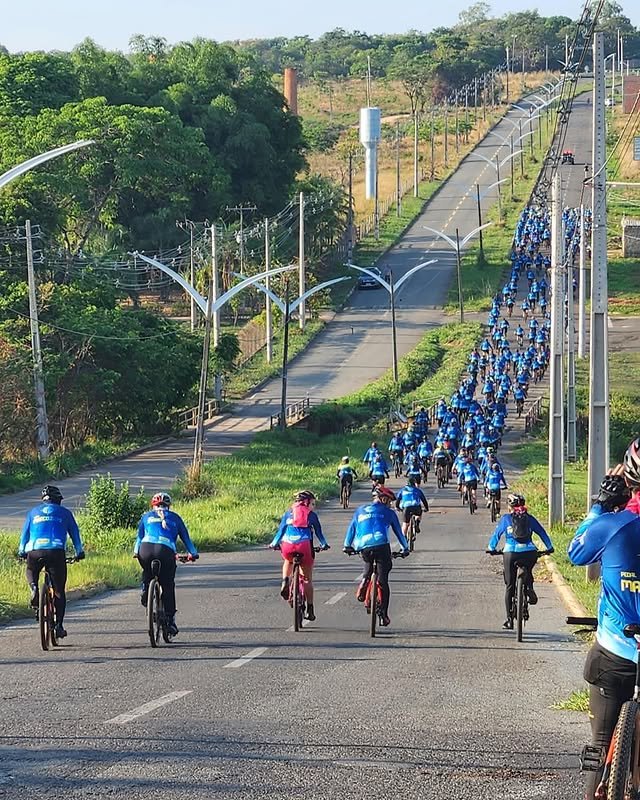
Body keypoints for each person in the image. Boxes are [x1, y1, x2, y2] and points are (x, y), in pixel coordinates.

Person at [567, 443, 640, 800]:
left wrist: (601, 505)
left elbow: (576, 552)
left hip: (615, 651)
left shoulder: (613, 524)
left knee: (600, 743)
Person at [18, 485, 85, 640]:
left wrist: (22, 551)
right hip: (56, 551)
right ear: (58, 500)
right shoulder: (65, 513)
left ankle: (34, 587)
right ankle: (59, 626)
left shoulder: (33, 513)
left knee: (31, 570)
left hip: (35, 550)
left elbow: (24, 536)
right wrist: (79, 552)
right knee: (59, 590)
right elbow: (75, 535)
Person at [343, 485, 409, 627]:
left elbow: (351, 529)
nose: (390, 504)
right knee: (383, 579)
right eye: (389, 501)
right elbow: (399, 533)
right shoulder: (389, 513)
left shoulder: (359, 510)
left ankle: (365, 579)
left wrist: (347, 545)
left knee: (368, 560)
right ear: (383, 499)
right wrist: (405, 548)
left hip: (364, 546)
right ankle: (383, 615)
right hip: (381, 545)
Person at [135, 492, 198, 637]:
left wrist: (136, 552)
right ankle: (169, 620)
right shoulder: (175, 518)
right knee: (168, 584)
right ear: (169, 506)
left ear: (153, 505)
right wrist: (193, 554)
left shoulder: (146, 517)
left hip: (145, 548)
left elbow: (138, 539)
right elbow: (187, 540)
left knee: (147, 570)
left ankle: (145, 590)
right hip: (165, 550)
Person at [487, 493, 554, 630]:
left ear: (510, 507)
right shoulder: (529, 519)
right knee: (528, 569)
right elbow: (542, 533)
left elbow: (496, 535)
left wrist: (491, 548)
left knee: (510, 586)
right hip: (529, 552)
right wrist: (549, 547)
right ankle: (529, 588)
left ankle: (509, 620)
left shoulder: (506, 519)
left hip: (511, 553)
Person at [270, 490, 329, 622]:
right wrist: (324, 544)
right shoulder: (311, 515)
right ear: (307, 503)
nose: (313, 506)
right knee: (307, 578)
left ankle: (285, 580)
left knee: (288, 560)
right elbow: (319, 533)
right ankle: (310, 608)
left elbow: (280, 532)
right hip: (304, 546)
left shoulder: (288, 513)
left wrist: (274, 543)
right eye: (312, 503)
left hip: (287, 546)